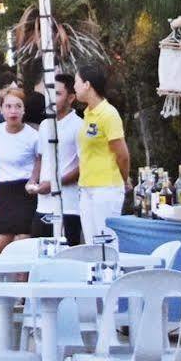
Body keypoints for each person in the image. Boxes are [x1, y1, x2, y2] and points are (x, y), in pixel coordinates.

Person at [74, 63, 130, 246]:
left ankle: (112, 274)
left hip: (106, 187)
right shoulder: (87, 113)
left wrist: (123, 178)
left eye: (76, 82)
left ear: (87, 85)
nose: (74, 87)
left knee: (106, 243)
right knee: (92, 244)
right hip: (87, 187)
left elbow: (122, 154)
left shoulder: (108, 114)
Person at [0, 86, 38, 254]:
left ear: (24, 110)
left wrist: (34, 179)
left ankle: (22, 280)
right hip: (5, 193)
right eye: (9, 106)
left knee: (22, 249)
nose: (13, 111)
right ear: (1, 109)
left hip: (26, 194)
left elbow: (41, 159)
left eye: (18, 106)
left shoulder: (33, 135)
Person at [30, 72, 85, 244]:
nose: (51, 98)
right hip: (42, 204)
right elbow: (40, 156)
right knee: (39, 255)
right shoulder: (45, 125)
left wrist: (55, 184)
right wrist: (33, 181)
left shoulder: (79, 126)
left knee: (66, 258)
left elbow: (85, 166)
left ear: (71, 98)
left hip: (68, 205)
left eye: (58, 93)